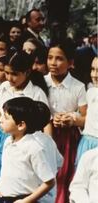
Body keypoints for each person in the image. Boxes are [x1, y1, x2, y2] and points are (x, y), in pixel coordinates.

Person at [0, 51, 50, 203]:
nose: (9, 78)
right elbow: (0, 113)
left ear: (27, 72)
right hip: (1, 137)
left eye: (14, 74)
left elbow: (46, 122)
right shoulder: (4, 86)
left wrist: (47, 144)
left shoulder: (36, 93)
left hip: (22, 140)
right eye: (7, 73)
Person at [45, 38, 87, 203]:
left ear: (70, 63)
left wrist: (72, 120)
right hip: (43, 133)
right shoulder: (41, 82)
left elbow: (86, 119)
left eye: (59, 58)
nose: (53, 63)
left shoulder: (78, 86)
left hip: (67, 140)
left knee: (63, 175)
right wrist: (49, 118)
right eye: (50, 57)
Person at [0, 97, 56, 203]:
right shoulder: (8, 141)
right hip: (3, 197)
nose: (0, 119)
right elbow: (8, 169)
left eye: (6, 117)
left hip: (22, 198)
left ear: (21, 125)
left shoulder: (34, 148)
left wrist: (26, 201)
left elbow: (49, 182)